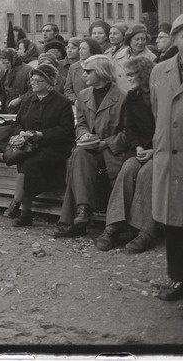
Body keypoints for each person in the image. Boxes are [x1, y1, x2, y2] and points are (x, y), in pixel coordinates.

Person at [53, 55, 130, 238]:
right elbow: (80, 124)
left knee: (76, 160)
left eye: (89, 71)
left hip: (111, 151)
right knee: (78, 154)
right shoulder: (84, 95)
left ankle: (77, 217)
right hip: (89, 149)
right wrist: (83, 135)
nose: (84, 74)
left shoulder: (122, 97)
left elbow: (129, 133)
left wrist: (106, 143)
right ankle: (83, 209)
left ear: (102, 72)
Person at [95, 57, 156, 253]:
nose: (128, 78)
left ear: (143, 73)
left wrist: (155, 151)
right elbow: (130, 128)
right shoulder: (132, 97)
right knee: (127, 168)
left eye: (131, 74)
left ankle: (145, 232)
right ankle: (112, 226)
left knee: (147, 174)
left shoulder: (162, 94)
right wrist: (138, 146)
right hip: (141, 149)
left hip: (163, 150)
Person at [2, 64, 74, 226]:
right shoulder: (28, 100)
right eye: (32, 80)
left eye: (37, 80)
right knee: (26, 162)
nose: (32, 83)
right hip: (29, 147)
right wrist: (21, 134)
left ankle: (21, 208)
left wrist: (42, 135)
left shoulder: (62, 103)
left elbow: (67, 131)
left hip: (53, 148)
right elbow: (17, 123)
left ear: (49, 83)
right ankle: (22, 210)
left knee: (28, 164)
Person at [149, 13, 183, 301]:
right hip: (169, 157)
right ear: (174, 40)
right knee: (175, 224)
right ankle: (178, 279)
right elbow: (156, 111)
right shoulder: (159, 71)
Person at [112, 24, 157, 92]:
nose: (140, 42)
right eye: (137, 39)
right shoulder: (118, 56)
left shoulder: (152, 58)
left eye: (143, 39)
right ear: (129, 40)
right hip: (121, 98)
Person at [64, 38, 104, 105]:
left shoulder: (101, 65)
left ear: (92, 50)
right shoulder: (73, 67)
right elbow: (68, 89)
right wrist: (76, 101)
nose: (80, 51)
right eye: (80, 49)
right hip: (78, 105)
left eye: (84, 49)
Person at [0, 48, 32, 114]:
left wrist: (20, 99)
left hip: (24, 110)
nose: (5, 66)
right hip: (9, 110)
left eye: (7, 63)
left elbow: (33, 90)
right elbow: (3, 91)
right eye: (3, 63)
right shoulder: (7, 71)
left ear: (14, 60)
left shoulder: (28, 70)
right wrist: (0, 100)